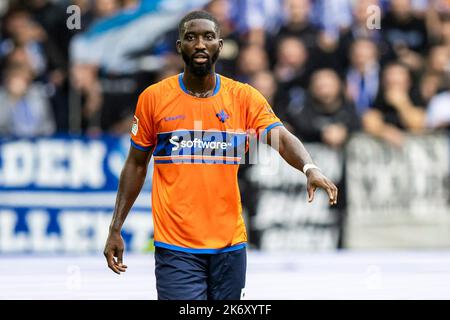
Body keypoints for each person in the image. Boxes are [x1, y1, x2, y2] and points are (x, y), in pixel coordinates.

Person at [103, 10, 338, 300]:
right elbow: (136, 164)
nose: (200, 44)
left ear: (220, 45)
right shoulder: (154, 98)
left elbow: (281, 138)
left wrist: (309, 167)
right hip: (176, 247)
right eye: (191, 37)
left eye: (208, 37)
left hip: (230, 245)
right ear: (180, 47)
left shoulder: (243, 97)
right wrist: (116, 227)